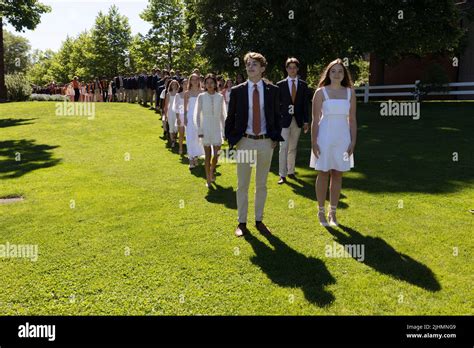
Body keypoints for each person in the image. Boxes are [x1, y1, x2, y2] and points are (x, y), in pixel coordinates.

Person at [224, 52, 284, 237]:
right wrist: (231, 139)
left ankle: (259, 220)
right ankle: (242, 222)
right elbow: (230, 117)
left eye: (255, 64)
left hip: (266, 142)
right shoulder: (237, 90)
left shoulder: (273, 90)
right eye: (248, 64)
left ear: (263, 68)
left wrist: (275, 137)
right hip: (245, 141)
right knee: (242, 184)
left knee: (262, 184)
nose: (250, 67)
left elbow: (277, 115)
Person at [310, 58, 357, 227]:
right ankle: (321, 211)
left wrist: (353, 141)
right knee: (323, 172)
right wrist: (314, 142)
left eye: (340, 71)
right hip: (324, 136)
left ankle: (333, 212)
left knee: (338, 174)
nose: (337, 74)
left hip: (342, 137)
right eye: (333, 71)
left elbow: (352, 119)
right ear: (328, 73)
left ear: (344, 74)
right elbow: (315, 120)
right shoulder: (320, 92)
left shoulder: (350, 92)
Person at [277, 57, 311, 184]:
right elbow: (277, 104)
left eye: (294, 67)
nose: (292, 70)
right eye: (289, 67)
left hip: (298, 120)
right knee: (283, 147)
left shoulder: (303, 85)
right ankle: (282, 174)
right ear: (286, 69)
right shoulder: (280, 85)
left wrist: (306, 121)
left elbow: (305, 104)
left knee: (293, 147)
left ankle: (291, 171)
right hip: (283, 121)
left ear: (297, 69)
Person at [196, 74, 227, 188]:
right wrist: (199, 129)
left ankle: (212, 170)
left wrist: (224, 131)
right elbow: (197, 114)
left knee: (217, 154)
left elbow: (223, 116)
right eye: (207, 82)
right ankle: (208, 178)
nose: (209, 85)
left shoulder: (220, 97)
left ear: (215, 84)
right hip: (205, 127)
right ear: (204, 84)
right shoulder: (201, 96)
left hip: (216, 128)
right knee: (208, 156)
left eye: (211, 82)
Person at [183, 73, 204, 169]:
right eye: (193, 79)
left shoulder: (202, 92)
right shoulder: (187, 93)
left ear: (199, 80)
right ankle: (191, 159)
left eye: (196, 79)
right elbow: (185, 108)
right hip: (190, 117)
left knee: (198, 138)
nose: (195, 81)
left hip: (200, 118)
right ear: (190, 81)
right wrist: (185, 118)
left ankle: (195, 157)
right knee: (190, 137)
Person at [173, 78, 188, 155]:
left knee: (189, 135)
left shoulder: (191, 94)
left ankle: (190, 150)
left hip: (189, 116)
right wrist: (178, 118)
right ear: (181, 85)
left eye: (187, 83)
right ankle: (180, 148)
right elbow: (176, 108)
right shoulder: (178, 95)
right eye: (184, 83)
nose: (186, 85)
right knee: (181, 134)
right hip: (180, 116)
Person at [164, 79, 180, 147]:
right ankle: (172, 141)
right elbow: (166, 105)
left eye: (175, 84)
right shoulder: (168, 94)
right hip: (170, 112)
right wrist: (165, 115)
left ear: (177, 85)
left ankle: (174, 139)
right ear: (170, 85)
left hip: (177, 112)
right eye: (172, 84)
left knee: (176, 127)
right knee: (171, 126)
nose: (174, 85)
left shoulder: (179, 94)